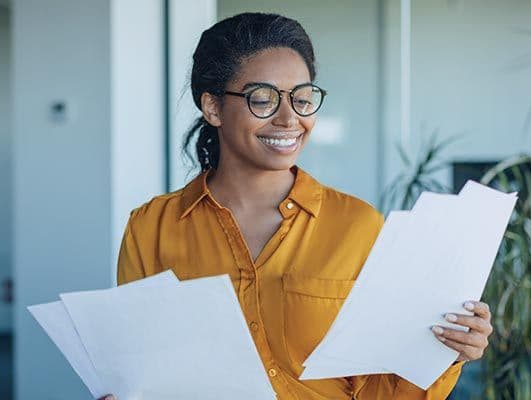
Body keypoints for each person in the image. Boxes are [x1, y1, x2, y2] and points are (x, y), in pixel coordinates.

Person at [101, 12, 492, 400]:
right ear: (213, 108)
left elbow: (384, 391)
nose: (290, 119)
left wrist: (447, 352)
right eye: (262, 99)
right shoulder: (152, 227)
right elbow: (140, 375)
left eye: (302, 99)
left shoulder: (357, 226)